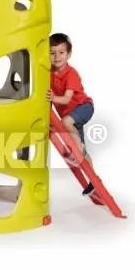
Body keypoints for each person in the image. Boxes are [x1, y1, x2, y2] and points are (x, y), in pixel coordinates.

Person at [45, 33, 96, 195]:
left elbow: (67, 99)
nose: (57, 57)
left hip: (83, 107)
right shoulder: (49, 73)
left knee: (67, 123)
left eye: (61, 52)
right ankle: (93, 180)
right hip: (70, 116)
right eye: (52, 53)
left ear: (69, 54)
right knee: (81, 152)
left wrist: (53, 98)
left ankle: (79, 147)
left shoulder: (71, 74)